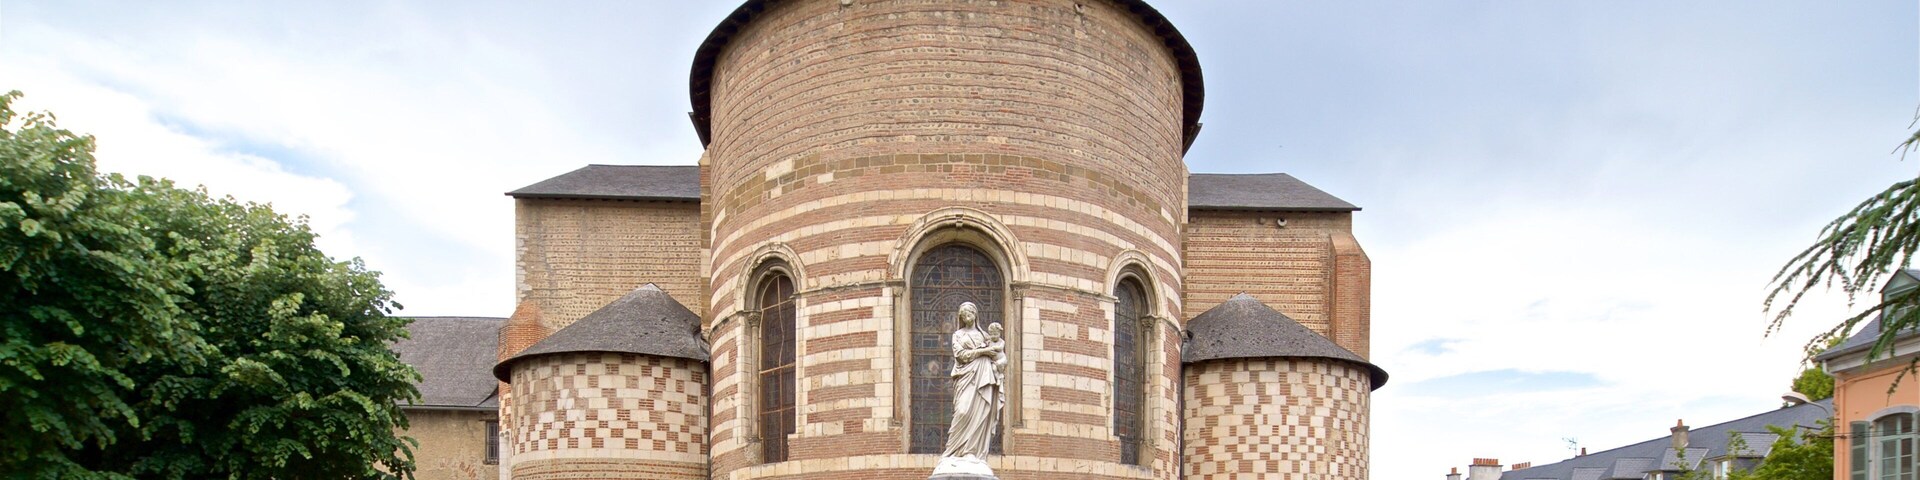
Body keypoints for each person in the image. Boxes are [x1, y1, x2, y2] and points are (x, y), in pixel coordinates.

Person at [940, 302, 1003, 461]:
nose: (967, 318)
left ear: (975, 314)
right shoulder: (958, 335)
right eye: (963, 316)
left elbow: (998, 354)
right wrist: (983, 351)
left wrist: (1000, 364)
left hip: (984, 375)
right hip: (965, 376)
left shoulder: (985, 336)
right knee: (962, 411)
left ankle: (971, 451)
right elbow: (960, 355)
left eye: (969, 314)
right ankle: (953, 451)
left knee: (981, 412)